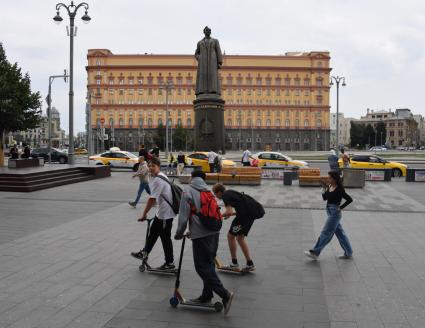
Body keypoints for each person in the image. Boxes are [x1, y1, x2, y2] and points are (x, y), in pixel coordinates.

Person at [175, 170, 234, 315]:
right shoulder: (208, 191)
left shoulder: (188, 190)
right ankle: (207, 295)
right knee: (209, 265)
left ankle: (225, 294)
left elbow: (184, 215)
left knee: (201, 267)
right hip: (214, 232)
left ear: (192, 177)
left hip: (201, 235)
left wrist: (179, 233)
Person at [131, 157, 175, 270]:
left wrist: (144, 214)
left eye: (153, 166)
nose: (150, 168)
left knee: (165, 238)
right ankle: (145, 252)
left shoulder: (158, 180)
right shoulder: (161, 176)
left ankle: (170, 263)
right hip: (161, 213)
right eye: (149, 166)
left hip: (165, 215)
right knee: (153, 233)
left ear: (158, 166)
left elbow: (152, 199)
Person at [304, 171, 353, 260]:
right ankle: (348, 252)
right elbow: (324, 198)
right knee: (340, 234)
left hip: (335, 213)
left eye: (330, 177)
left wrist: (341, 207)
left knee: (326, 232)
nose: (328, 179)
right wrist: (324, 188)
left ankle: (315, 252)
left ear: (334, 179)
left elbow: (350, 199)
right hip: (329, 211)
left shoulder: (339, 189)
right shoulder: (330, 186)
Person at [212, 183, 256, 271]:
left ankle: (234, 263)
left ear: (220, 192)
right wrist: (228, 214)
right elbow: (234, 211)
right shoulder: (230, 192)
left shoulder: (225, 196)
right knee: (240, 238)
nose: (216, 196)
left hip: (243, 218)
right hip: (251, 215)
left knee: (230, 236)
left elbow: (229, 212)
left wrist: (219, 216)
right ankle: (249, 263)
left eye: (215, 194)